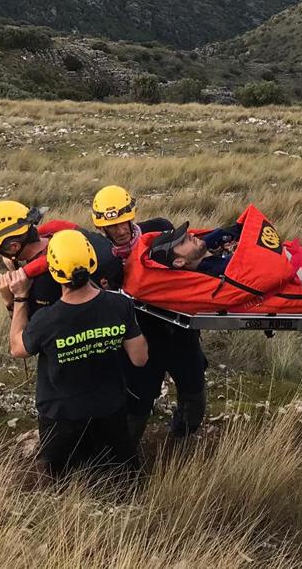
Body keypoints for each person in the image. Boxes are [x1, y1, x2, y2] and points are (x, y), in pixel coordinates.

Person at [2, 229, 148, 477]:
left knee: (61, 479)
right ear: (92, 262)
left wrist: (19, 297)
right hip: (109, 408)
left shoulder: (46, 320)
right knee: (120, 476)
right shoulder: (119, 305)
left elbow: (18, 349)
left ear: (54, 271)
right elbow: (139, 358)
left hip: (61, 415)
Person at [92, 185, 208, 442]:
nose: (121, 230)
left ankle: (182, 440)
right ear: (102, 227)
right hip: (138, 339)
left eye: (124, 222)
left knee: (194, 393)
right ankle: (125, 456)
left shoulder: (160, 229)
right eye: (113, 227)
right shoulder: (98, 257)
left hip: (180, 331)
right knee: (137, 401)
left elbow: (189, 262)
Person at [0, 200, 122, 316]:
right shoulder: (64, 236)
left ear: (14, 247)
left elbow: (30, 337)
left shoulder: (44, 281)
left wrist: (12, 300)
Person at [148, 220, 241, 275]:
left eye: (186, 234)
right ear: (179, 261)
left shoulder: (203, 246)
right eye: (183, 242)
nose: (192, 235)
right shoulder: (218, 269)